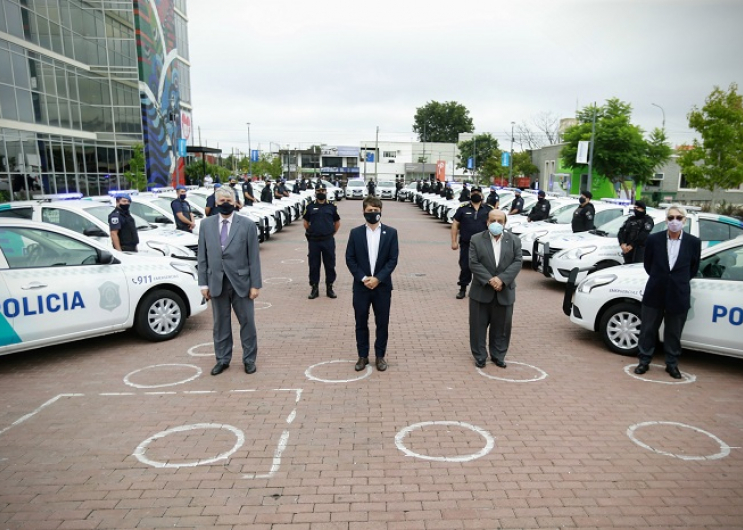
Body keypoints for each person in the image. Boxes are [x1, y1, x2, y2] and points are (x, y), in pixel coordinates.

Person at [197, 187, 262, 376]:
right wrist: (203, 284)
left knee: (247, 322)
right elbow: (202, 256)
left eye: (228, 199)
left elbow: (254, 258)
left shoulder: (247, 225)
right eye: (222, 200)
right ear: (216, 203)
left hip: (241, 283)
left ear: (234, 202)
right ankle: (222, 359)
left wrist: (255, 284)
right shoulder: (206, 225)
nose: (225, 203)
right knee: (220, 324)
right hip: (216, 282)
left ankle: (249, 359)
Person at [634, 205, 701, 379]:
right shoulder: (654, 239)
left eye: (678, 218)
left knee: (673, 332)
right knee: (648, 329)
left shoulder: (693, 243)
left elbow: (693, 269)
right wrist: (661, 278)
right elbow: (648, 264)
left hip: (678, 294)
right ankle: (644, 361)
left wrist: (677, 281)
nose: (674, 221)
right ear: (666, 220)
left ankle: (671, 364)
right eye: (671, 218)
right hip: (655, 290)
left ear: (684, 221)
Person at [346, 196, 399, 372]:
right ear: (363, 211)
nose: (373, 213)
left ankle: (380, 356)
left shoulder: (391, 233)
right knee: (361, 322)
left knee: (382, 322)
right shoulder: (356, 233)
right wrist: (363, 278)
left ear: (381, 211)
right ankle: (362, 356)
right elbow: (350, 258)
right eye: (369, 211)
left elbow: (393, 259)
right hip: (361, 287)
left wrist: (378, 278)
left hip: (382, 286)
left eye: (376, 210)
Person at [468, 209, 522, 368]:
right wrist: (491, 280)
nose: (496, 224)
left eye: (500, 221)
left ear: (505, 223)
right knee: (478, 326)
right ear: (487, 222)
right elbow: (473, 263)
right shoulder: (476, 240)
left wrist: (502, 279)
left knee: (502, 327)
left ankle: (498, 355)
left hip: (504, 291)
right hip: (481, 290)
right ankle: (480, 355)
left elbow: (517, 262)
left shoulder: (514, 241)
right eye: (493, 220)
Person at [451, 185, 494, 299]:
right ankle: (463, 289)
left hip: (484, 244)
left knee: (484, 267)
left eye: (478, 192)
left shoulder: (488, 209)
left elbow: (495, 225)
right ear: (470, 195)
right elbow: (455, 224)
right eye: (473, 192)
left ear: (482, 195)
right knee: (465, 266)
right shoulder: (463, 208)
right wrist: (454, 241)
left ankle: (482, 289)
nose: (476, 194)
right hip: (467, 244)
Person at [304, 184, 341, 299]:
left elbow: (337, 222)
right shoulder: (310, 206)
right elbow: (305, 221)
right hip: (314, 241)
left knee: (330, 264)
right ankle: (314, 288)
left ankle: (329, 288)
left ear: (326, 192)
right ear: (315, 192)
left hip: (328, 240)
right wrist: (311, 231)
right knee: (314, 265)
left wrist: (331, 233)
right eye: (319, 190)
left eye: (323, 190)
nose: (321, 192)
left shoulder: (331, 206)